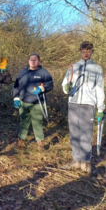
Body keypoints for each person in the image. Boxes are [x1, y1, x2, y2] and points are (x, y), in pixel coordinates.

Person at [61, 41, 105, 173]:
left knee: (86, 133)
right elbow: (65, 84)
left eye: (89, 51)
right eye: (84, 51)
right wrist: (66, 87)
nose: (86, 53)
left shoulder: (97, 69)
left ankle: (86, 162)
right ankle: (76, 161)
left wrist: (101, 108)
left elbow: (100, 89)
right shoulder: (73, 67)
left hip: (88, 104)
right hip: (73, 103)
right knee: (75, 132)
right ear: (80, 52)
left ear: (92, 52)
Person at [13, 53, 53, 151]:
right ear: (28, 61)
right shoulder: (22, 72)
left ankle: (40, 144)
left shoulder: (43, 72)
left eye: (35, 59)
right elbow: (16, 86)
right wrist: (16, 98)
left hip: (37, 102)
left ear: (38, 61)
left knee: (38, 123)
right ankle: (21, 142)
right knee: (23, 122)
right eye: (31, 59)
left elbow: (50, 84)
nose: (33, 61)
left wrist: (42, 88)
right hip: (23, 102)